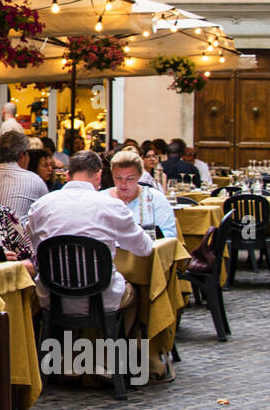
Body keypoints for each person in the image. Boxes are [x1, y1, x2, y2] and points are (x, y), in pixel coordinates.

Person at [26, 151, 171, 380]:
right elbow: (144, 248)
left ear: (68, 175)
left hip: (52, 296)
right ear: (98, 175)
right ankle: (122, 361)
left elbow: (33, 247)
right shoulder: (110, 205)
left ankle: (70, 358)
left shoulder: (41, 205)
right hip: (102, 298)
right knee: (139, 293)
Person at [107, 150, 177, 239]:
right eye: (118, 177)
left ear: (140, 175)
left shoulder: (156, 198)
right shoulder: (101, 198)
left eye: (130, 178)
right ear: (112, 174)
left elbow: (169, 235)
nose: (123, 184)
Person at [0, 131, 47, 220]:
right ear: (22, 155)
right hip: (17, 233)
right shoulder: (34, 180)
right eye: (27, 153)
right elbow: (45, 215)